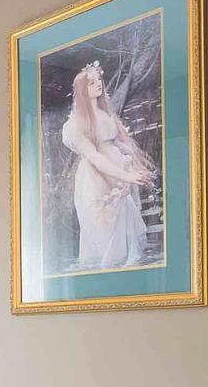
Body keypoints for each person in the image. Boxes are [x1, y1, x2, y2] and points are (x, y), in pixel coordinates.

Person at [61, 61, 156, 270]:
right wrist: (125, 175)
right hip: (97, 176)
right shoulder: (76, 124)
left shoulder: (107, 114)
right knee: (104, 220)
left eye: (98, 80)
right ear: (82, 90)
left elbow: (120, 142)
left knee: (125, 211)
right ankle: (109, 267)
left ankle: (128, 263)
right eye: (91, 82)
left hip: (119, 167)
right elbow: (95, 157)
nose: (97, 85)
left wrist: (130, 162)